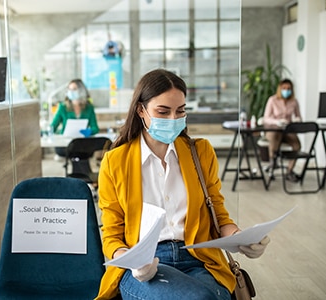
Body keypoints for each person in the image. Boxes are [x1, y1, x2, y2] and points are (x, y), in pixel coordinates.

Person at [96, 69, 270, 300]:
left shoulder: (200, 153)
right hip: (143, 268)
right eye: (163, 112)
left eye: (180, 111)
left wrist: (242, 238)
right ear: (141, 110)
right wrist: (132, 260)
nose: (173, 119)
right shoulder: (115, 162)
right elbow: (111, 234)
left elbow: (218, 216)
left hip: (199, 259)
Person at [262, 78, 302, 182]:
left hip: (287, 130)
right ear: (280, 89)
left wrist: (297, 120)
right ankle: (272, 165)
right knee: (275, 137)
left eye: (288, 88)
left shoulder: (294, 102)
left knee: (297, 145)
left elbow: (298, 116)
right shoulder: (272, 100)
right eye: (284, 88)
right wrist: (277, 122)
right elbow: (266, 118)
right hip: (273, 130)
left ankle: (289, 171)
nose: (286, 90)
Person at [50, 79, 99, 157]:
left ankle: (80, 169)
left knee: (82, 151)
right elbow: (53, 126)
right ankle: (82, 169)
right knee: (77, 152)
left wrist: (90, 131)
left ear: (81, 90)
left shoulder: (89, 108)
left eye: (74, 89)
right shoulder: (62, 107)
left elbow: (95, 128)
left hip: (82, 144)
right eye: (69, 89)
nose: (71, 92)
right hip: (66, 144)